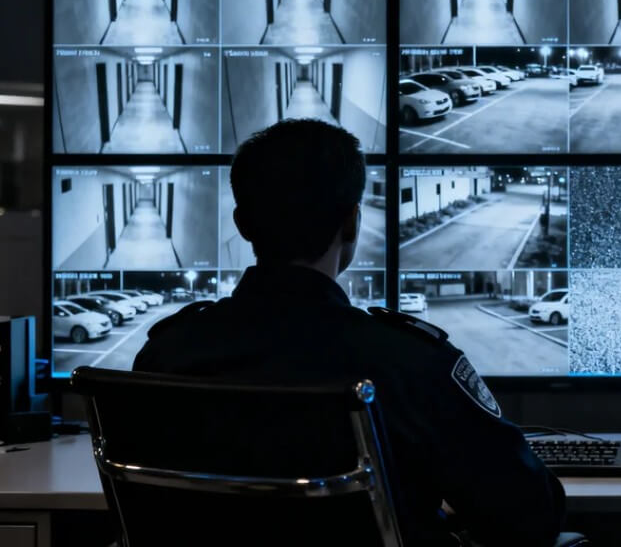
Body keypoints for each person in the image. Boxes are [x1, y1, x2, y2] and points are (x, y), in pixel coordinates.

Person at [133, 119, 566, 547]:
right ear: (352, 224)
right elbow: (530, 516)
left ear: (243, 224)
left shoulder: (166, 355)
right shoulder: (410, 362)